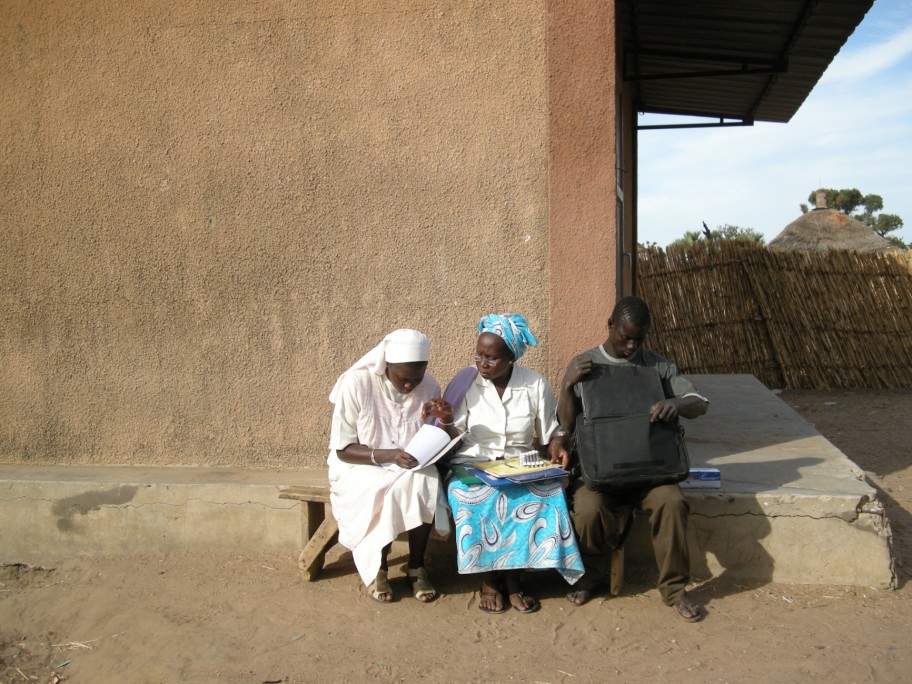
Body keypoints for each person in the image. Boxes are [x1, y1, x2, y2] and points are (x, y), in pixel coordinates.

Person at [556, 296, 709, 622]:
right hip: (601, 472)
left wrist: (677, 405)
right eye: (624, 336)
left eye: (638, 339)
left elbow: (700, 403)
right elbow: (566, 425)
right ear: (610, 325)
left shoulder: (658, 366)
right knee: (587, 508)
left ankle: (674, 589)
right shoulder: (585, 365)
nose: (630, 345)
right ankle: (592, 574)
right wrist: (567, 384)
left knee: (672, 501)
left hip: (651, 472)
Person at [442, 313, 584, 614]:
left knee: (546, 497)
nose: (482, 363)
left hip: (520, 464)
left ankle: (513, 579)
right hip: (473, 463)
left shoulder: (534, 384)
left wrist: (558, 447)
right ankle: (489, 581)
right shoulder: (467, 381)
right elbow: (453, 435)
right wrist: (445, 421)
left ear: (511, 358)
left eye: (491, 358)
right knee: (469, 500)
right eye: (478, 355)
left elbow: (550, 434)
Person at [327, 328, 454, 604]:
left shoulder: (429, 385)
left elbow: (433, 439)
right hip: (358, 466)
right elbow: (344, 449)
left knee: (427, 479)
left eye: (416, 378)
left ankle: (416, 566)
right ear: (387, 366)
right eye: (404, 379)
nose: (411, 385)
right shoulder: (357, 383)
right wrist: (390, 456)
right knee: (387, 487)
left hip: (405, 466)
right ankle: (379, 568)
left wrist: (443, 420)